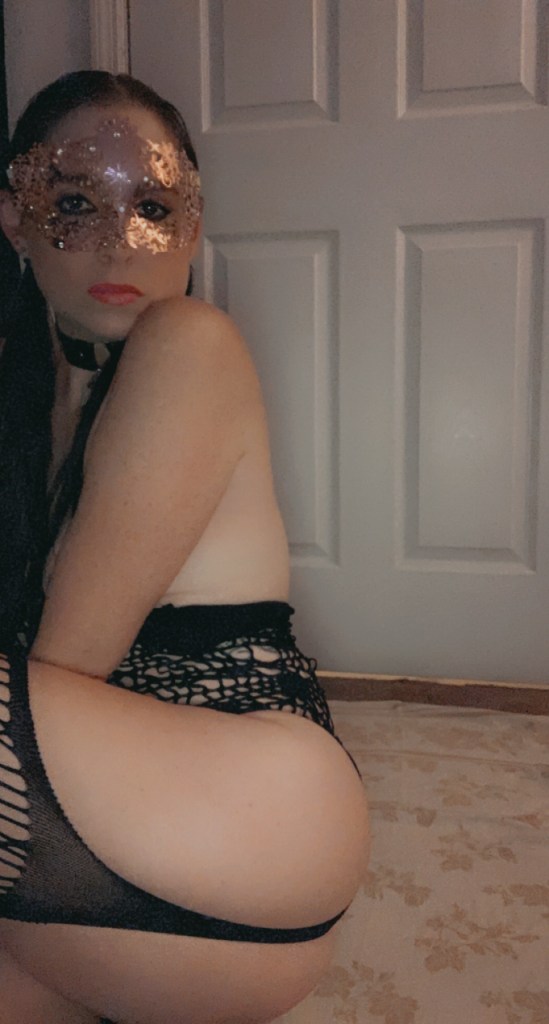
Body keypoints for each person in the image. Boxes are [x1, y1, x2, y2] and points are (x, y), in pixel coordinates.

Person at [0, 71, 369, 1024]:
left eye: (155, 208)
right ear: (14, 219)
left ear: (193, 230)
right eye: (74, 203)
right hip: (132, 900)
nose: (121, 240)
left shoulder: (188, 344)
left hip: (247, 816)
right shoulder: (31, 410)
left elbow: (64, 668)